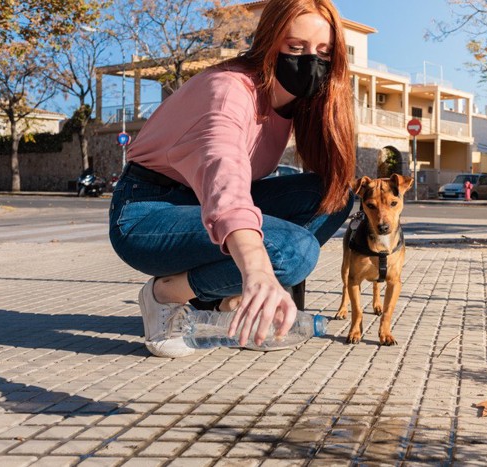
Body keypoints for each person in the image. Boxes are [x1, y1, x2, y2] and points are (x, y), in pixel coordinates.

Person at [108, 0, 355, 358]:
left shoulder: (297, 104)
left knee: (332, 195)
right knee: (293, 250)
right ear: (269, 42)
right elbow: (224, 175)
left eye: (324, 51)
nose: (310, 61)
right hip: (147, 212)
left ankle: (226, 300)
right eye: (295, 48)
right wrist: (258, 268)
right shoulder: (228, 91)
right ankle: (165, 296)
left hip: (201, 208)